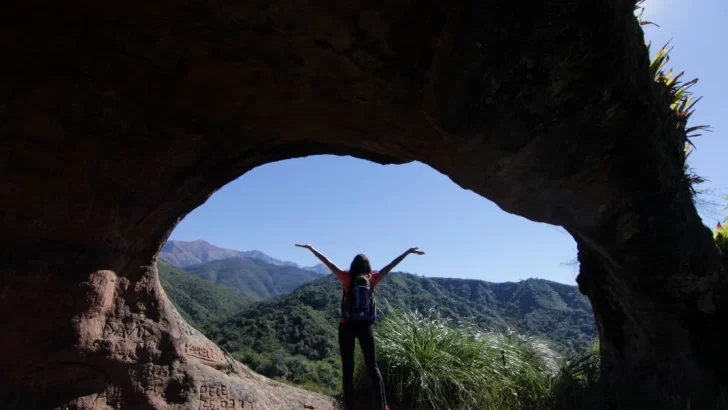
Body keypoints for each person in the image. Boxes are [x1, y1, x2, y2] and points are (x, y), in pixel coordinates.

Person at [295, 244, 425, 410]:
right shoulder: (373, 279)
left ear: (353, 266)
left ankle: (350, 406)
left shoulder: (347, 278)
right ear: (368, 267)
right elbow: (391, 265)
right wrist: (408, 252)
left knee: (347, 369)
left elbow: (328, 263)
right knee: (372, 366)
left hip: (346, 326)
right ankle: (383, 405)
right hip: (366, 327)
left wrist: (312, 249)